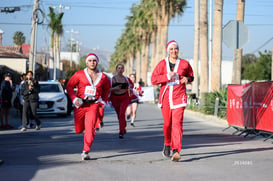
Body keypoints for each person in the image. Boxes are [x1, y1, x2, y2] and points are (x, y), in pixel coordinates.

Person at [151, 40, 194, 162]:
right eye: (171, 49)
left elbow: (191, 76)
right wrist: (166, 77)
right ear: (167, 51)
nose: (174, 51)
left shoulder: (185, 64)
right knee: (167, 125)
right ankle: (167, 143)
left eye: (175, 49)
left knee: (177, 124)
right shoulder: (162, 64)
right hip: (166, 98)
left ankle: (176, 150)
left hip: (179, 97)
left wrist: (187, 79)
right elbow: (153, 80)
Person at [66, 53, 111, 160]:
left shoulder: (103, 77)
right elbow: (69, 86)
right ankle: (81, 131)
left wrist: (103, 101)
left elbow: (106, 90)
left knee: (90, 128)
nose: (92, 63)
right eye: (90, 61)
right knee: (78, 129)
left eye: (94, 61)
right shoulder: (79, 74)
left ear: (97, 62)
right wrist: (74, 98)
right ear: (86, 62)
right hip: (81, 105)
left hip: (94, 105)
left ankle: (85, 151)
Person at [109, 63, 134, 139]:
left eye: (121, 68)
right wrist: (115, 88)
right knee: (119, 115)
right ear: (116, 69)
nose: (120, 70)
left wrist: (129, 88)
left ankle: (121, 131)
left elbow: (131, 86)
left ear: (123, 70)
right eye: (119, 68)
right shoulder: (113, 79)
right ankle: (123, 126)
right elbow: (108, 89)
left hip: (124, 98)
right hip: (115, 98)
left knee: (121, 114)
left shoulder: (126, 79)